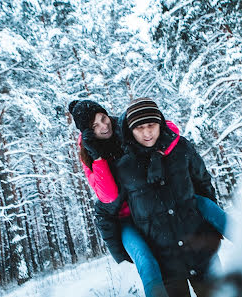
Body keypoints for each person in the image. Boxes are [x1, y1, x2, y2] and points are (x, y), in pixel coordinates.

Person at [94, 98, 224, 297]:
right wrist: (123, 253)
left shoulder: (181, 148)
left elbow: (203, 182)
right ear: (130, 130)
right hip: (165, 265)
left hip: (202, 252)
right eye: (139, 128)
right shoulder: (123, 168)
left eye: (151, 125)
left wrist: (212, 222)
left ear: (160, 123)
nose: (147, 133)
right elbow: (105, 211)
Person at [68, 99, 173, 297]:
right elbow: (109, 196)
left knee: (172, 259)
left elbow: (169, 129)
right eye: (95, 126)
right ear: (87, 132)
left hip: (151, 206)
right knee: (146, 263)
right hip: (126, 219)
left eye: (103, 118)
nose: (104, 126)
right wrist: (98, 157)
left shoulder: (125, 125)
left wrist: (158, 154)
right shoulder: (88, 157)